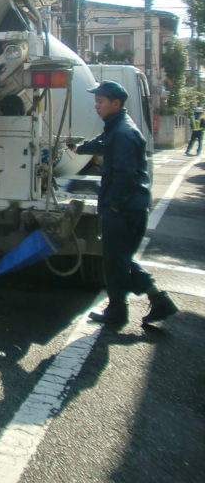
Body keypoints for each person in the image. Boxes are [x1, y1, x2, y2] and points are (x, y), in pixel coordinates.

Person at [75, 80, 177, 326]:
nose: (96, 106)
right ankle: (146, 302)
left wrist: (115, 205)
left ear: (116, 103)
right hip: (127, 206)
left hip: (125, 209)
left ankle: (124, 308)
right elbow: (101, 143)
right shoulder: (116, 127)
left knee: (116, 260)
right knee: (118, 259)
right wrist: (79, 148)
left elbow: (125, 174)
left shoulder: (123, 133)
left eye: (100, 101)